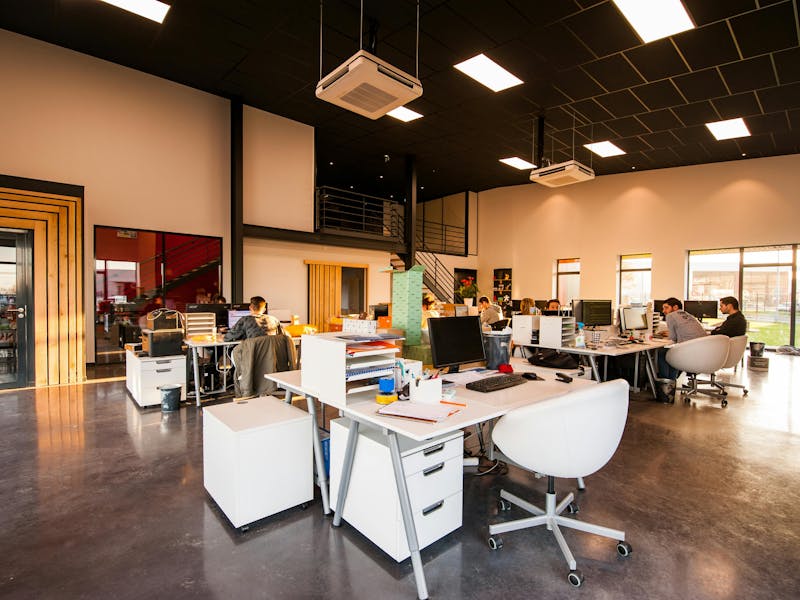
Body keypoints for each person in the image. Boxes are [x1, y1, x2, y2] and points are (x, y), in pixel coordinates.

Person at [656, 297, 706, 380]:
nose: (663, 311)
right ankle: (672, 381)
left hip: (688, 351)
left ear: (675, 307)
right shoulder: (689, 315)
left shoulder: (670, 316)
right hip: (702, 351)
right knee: (672, 351)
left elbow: (672, 339)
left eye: (666, 308)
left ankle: (665, 381)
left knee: (662, 352)